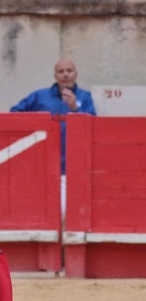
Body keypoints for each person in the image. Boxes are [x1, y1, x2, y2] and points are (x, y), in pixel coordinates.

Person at [10, 59, 96, 213]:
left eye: (69, 71)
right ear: (55, 76)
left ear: (76, 74)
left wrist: (75, 109)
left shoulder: (86, 97)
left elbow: (93, 126)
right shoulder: (39, 96)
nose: (65, 75)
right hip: (42, 161)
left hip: (74, 163)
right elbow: (15, 114)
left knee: (72, 211)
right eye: (61, 71)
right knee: (41, 208)